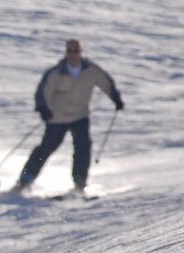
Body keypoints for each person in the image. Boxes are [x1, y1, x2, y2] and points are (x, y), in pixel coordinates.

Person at [11, 38, 124, 196]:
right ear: (66, 53)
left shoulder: (91, 70)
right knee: (46, 148)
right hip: (57, 118)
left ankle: (79, 185)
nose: (72, 55)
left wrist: (116, 98)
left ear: (80, 52)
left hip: (80, 116)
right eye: (69, 51)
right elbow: (43, 92)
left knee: (82, 148)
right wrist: (44, 109)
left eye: (75, 51)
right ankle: (24, 181)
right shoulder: (57, 72)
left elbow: (106, 83)